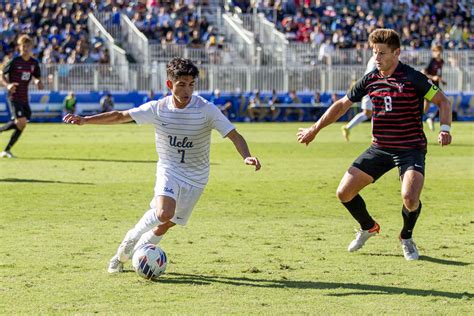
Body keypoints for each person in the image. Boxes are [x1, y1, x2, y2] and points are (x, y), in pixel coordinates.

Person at [63, 58, 261, 273]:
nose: (187, 90)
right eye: (182, 84)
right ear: (170, 85)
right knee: (164, 212)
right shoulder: (157, 109)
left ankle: (136, 252)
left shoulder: (206, 109)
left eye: (191, 84)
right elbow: (121, 116)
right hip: (170, 169)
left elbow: (235, 135)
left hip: (197, 176)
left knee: (167, 222)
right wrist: (86, 120)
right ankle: (130, 241)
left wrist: (246, 156)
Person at [297, 29, 452, 261]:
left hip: (410, 148)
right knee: (344, 192)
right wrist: (314, 129)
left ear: (396, 53)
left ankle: (406, 237)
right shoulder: (370, 80)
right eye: (374, 52)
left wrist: (445, 129)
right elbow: (341, 105)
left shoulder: (413, 78)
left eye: (381, 53)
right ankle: (368, 227)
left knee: (410, 198)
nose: (376, 58)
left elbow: (443, 101)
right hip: (380, 147)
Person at [0, 35, 43, 158]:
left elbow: (37, 76)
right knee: (21, 121)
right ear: (19, 47)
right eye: (23, 46)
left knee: (21, 124)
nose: (25, 48)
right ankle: (6, 150)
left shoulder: (34, 63)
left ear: (31, 48)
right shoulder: (14, 61)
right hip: (14, 96)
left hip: (25, 97)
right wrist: (7, 85)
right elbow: (1, 74)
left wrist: (37, 82)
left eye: (28, 46)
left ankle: (6, 150)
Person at [341, 56, 377, 141]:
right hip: (371, 87)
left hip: (370, 87)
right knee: (371, 112)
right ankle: (374, 136)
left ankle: (348, 127)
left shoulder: (374, 58)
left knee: (370, 113)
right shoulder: (376, 58)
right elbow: (371, 74)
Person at [423, 45, 446, 131]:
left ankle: (430, 119)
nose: (438, 53)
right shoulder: (431, 61)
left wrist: (441, 80)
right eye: (436, 51)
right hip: (429, 86)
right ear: (433, 52)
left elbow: (438, 74)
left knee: (444, 103)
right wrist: (433, 78)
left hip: (436, 86)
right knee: (426, 107)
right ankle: (428, 119)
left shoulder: (442, 62)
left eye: (439, 51)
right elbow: (424, 74)